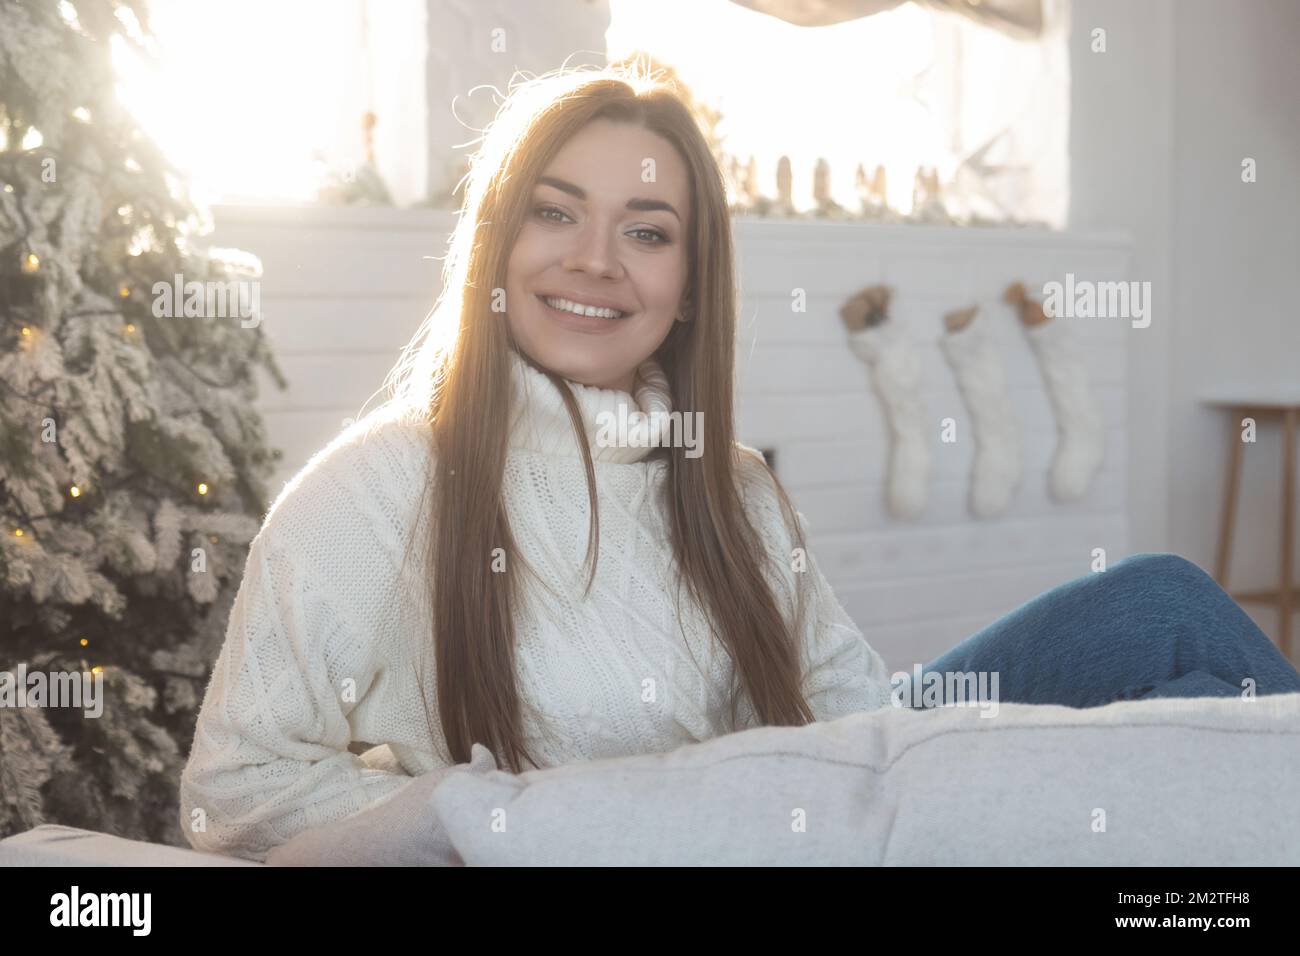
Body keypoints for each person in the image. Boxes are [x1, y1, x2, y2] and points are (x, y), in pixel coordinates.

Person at [177, 61, 1300, 864]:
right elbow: (235, 794)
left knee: (1167, 616)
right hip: (722, 836)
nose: (595, 260)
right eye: (553, 214)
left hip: (826, 790)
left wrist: (1008, 774)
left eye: (647, 229)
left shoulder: (734, 483)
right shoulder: (376, 490)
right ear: (495, 245)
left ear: (689, 283)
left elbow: (853, 710)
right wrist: (482, 817)